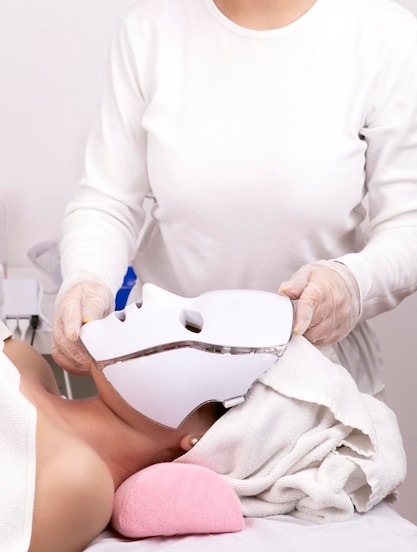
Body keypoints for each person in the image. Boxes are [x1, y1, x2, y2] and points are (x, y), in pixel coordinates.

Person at [52, 0, 417, 400]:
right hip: (166, 375)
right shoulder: (147, 32)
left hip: (317, 380)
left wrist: (350, 283)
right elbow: (108, 200)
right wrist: (87, 279)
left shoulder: (387, 37)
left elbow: (407, 226)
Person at [0, 323, 218, 552]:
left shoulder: (78, 483)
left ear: (200, 439)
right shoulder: (26, 360)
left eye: (191, 341)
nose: (150, 293)